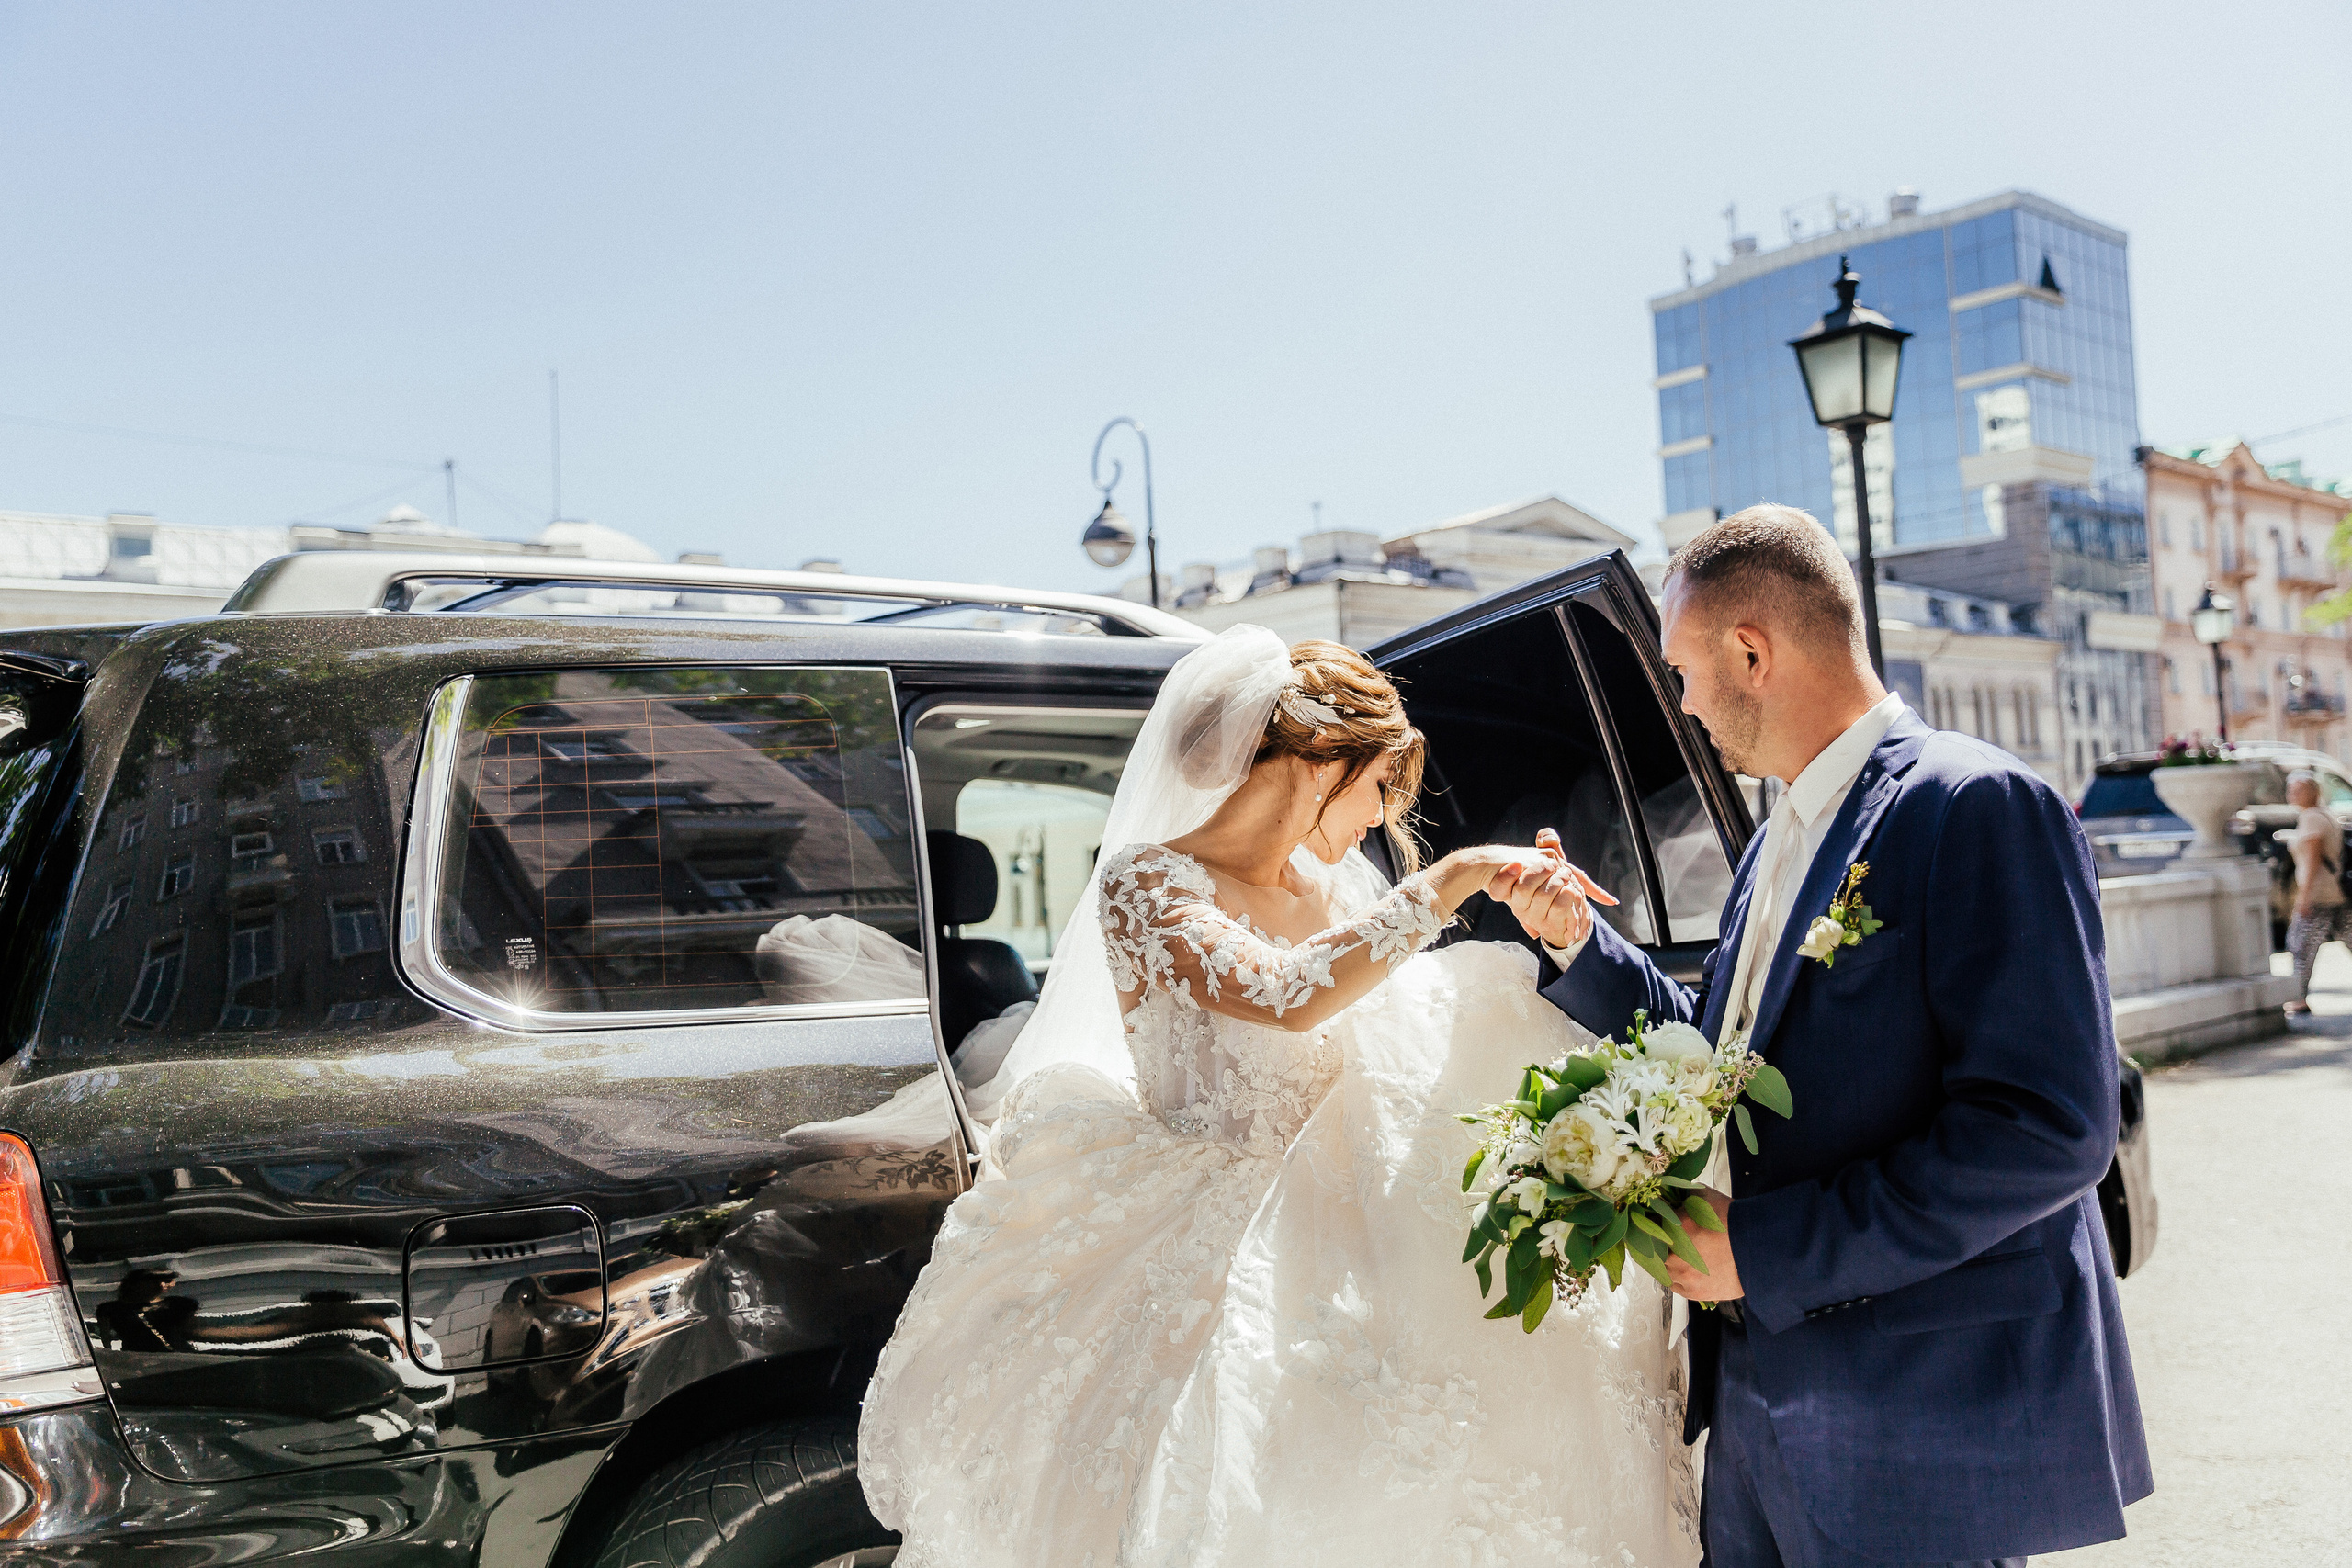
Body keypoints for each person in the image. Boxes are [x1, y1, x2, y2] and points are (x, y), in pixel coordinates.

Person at [860, 626, 1700, 1568]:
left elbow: (1396, 1029)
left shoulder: (1333, 887)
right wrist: (1456, 874)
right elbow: (1287, 992)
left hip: (1357, 1222)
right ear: (1319, 761)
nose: (1378, 820)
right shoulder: (1147, 883)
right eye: (1378, 786)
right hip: (1217, 1237)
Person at [1494, 505, 2151, 1568]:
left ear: (1751, 653)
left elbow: (2047, 1128)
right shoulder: (1774, 843)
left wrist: (1759, 1251)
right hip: (1755, 1413)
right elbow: (1724, 1068)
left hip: (1914, 1423)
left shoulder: (1974, 802)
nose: (1680, 705)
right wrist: (1582, 945)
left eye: (1682, 672)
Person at [2280, 770, 2350, 1014]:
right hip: (2335, 891)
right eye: (2291, 790)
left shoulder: (2311, 818)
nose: (2292, 795)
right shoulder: (2324, 814)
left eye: (2299, 790)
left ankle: (2298, 998)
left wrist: (2304, 898)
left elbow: (2313, 860)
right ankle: (2299, 997)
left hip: (2319, 894)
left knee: (2300, 944)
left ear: (2314, 792)